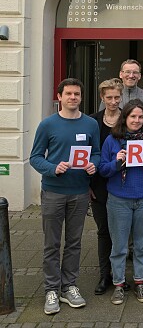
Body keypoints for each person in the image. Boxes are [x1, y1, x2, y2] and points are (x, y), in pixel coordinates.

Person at [30, 78, 100, 315]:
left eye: (77, 94)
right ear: (59, 97)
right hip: (53, 192)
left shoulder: (90, 124)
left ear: (81, 97)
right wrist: (52, 168)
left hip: (79, 193)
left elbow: (97, 153)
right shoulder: (47, 124)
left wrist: (94, 165)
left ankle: (69, 286)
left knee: (74, 242)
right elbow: (35, 157)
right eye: (68, 93)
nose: (73, 97)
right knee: (52, 244)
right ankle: (51, 288)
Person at [98, 100, 143, 305]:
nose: (136, 120)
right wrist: (116, 162)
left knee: (142, 244)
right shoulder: (112, 140)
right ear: (125, 118)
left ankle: (139, 281)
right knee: (119, 246)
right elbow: (103, 169)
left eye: (140, 117)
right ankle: (119, 284)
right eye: (132, 116)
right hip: (119, 199)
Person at [89, 78, 124, 296]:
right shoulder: (93, 122)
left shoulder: (129, 118)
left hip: (123, 183)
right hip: (99, 186)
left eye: (116, 97)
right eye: (108, 97)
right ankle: (105, 275)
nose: (112, 101)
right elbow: (88, 156)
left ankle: (120, 274)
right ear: (102, 98)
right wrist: (88, 185)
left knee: (121, 232)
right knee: (104, 232)